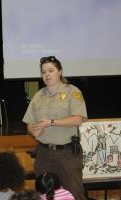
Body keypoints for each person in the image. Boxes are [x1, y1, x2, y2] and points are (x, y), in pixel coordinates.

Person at [22, 56, 87, 200]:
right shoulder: (38, 96)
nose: (47, 75)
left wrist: (51, 123)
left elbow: (78, 119)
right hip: (44, 153)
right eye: (44, 72)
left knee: (74, 193)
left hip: (67, 153)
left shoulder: (72, 92)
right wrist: (33, 130)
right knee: (43, 195)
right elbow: (29, 124)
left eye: (51, 70)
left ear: (60, 72)